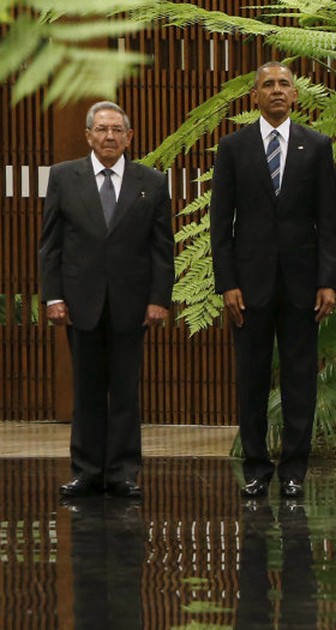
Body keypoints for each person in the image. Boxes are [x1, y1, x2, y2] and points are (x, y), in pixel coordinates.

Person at [210, 61, 336, 499]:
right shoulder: (232, 147)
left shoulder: (317, 146)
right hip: (248, 286)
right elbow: (220, 224)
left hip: (303, 284)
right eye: (268, 85)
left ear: (296, 95)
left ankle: (293, 470)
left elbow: (327, 219)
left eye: (285, 84)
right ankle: (255, 467)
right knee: (251, 377)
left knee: (300, 378)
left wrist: (328, 281)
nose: (277, 91)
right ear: (255, 96)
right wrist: (227, 282)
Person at [39, 101, 173, 499]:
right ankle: (85, 471)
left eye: (117, 130)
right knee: (87, 390)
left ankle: (123, 472)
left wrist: (159, 299)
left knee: (126, 392)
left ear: (129, 137)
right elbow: (51, 245)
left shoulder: (151, 180)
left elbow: (161, 248)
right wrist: (53, 296)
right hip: (80, 302)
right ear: (88, 136)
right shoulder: (65, 177)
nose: (109, 136)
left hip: (132, 304)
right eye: (101, 129)